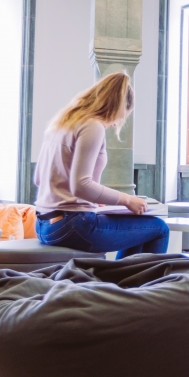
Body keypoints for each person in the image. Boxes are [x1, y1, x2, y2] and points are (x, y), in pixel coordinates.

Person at [33, 72, 169, 257]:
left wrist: (94, 199)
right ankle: (130, 284)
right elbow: (80, 185)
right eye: (121, 117)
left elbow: (39, 179)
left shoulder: (62, 123)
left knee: (140, 231)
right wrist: (127, 200)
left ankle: (122, 283)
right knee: (159, 228)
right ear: (117, 108)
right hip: (71, 225)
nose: (115, 125)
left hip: (43, 225)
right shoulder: (92, 126)